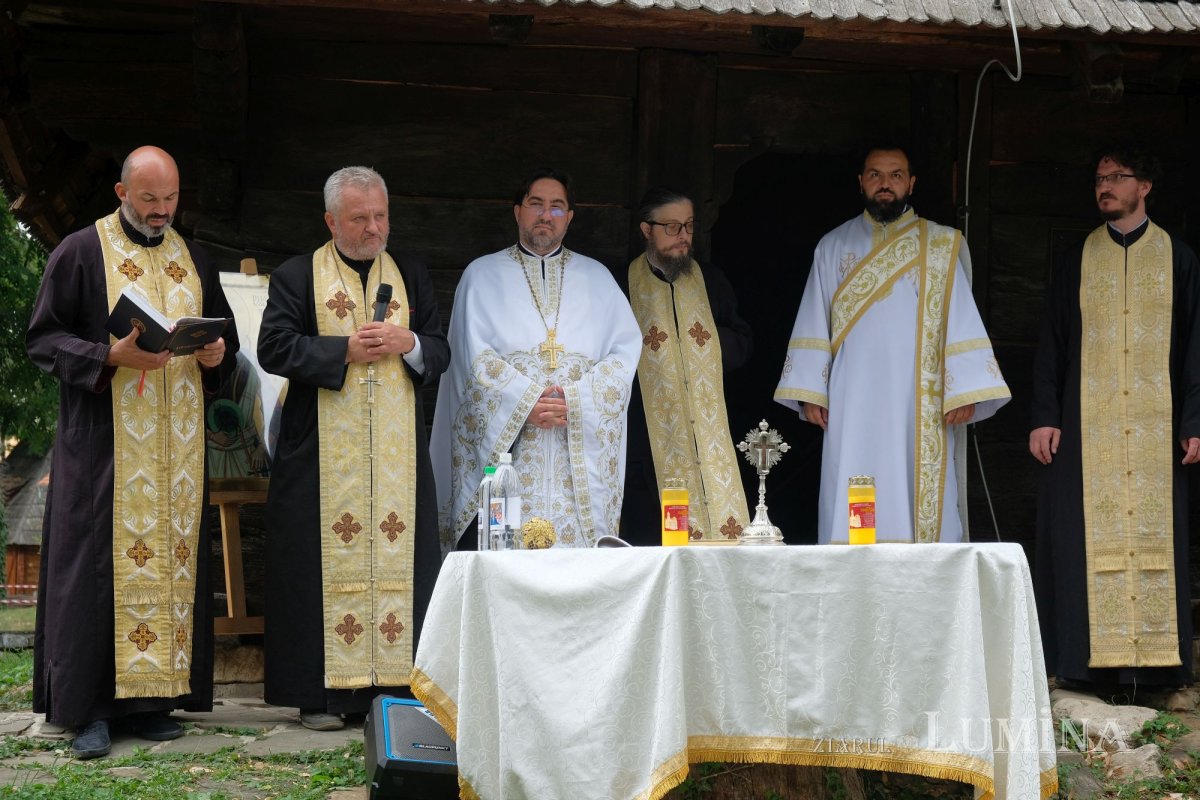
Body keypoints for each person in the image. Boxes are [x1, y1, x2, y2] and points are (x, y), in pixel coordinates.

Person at [25, 145, 239, 759]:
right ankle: (88, 710)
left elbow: (221, 338)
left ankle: (153, 703)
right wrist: (107, 355)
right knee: (96, 572)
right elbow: (43, 338)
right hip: (103, 447)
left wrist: (215, 355)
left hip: (175, 453)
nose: (161, 211)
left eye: (170, 199)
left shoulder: (193, 257)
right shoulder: (80, 251)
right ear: (122, 193)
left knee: (168, 567)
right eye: (149, 199)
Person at [257, 166, 449, 730]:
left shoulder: (411, 272)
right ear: (331, 220)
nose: (373, 228)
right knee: (313, 566)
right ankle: (319, 697)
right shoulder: (296, 276)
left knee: (403, 564)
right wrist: (343, 350)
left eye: (380, 215)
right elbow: (274, 348)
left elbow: (439, 349)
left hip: (395, 460)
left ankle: (393, 687)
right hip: (318, 456)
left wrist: (406, 341)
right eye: (360, 217)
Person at [774, 146, 1009, 543]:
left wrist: (963, 389)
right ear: (861, 182)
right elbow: (815, 316)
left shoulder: (942, 244)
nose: (886, 184)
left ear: (911, 183)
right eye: (876, 175)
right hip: (852, 395)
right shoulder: (832, 246)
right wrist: (811, 390)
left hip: (921, 396)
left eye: (896, 175)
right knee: (850, 474)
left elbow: (960, 315)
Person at [1030, 144, 1200, 690]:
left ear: (1144, 186)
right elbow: (1052, 343)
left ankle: (1156, 671)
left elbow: (1197, 346)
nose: (1104, 185)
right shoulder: (1077, 256)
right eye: (1099, 177)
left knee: (1158, 533)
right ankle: (1084, 669)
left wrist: (1194, 420)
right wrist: (1043, 415)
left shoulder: (1179, 257)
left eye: (1117, 177)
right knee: (1080, 538)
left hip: (1157, 429)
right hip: (1087, 427)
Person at [430, 168, 641, 550]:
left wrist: (575, 400)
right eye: (536, 204)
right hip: (511, 458)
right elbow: (470, 357)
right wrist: (525, 403)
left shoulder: (599, 279)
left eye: (557, 207)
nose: (546, 215)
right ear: (517, 212)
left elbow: (625, 353)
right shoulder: (481, 275)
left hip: (573, 457)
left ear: (570, 217)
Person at [619, 187, 753, 544]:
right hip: (648, 438)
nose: (683, 237)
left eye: (689, 227)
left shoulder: (711, 280)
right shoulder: (623, 284)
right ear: (647, 230)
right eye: (673, 227)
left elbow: (743, 340)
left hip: (709, 434)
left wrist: (697, 346)